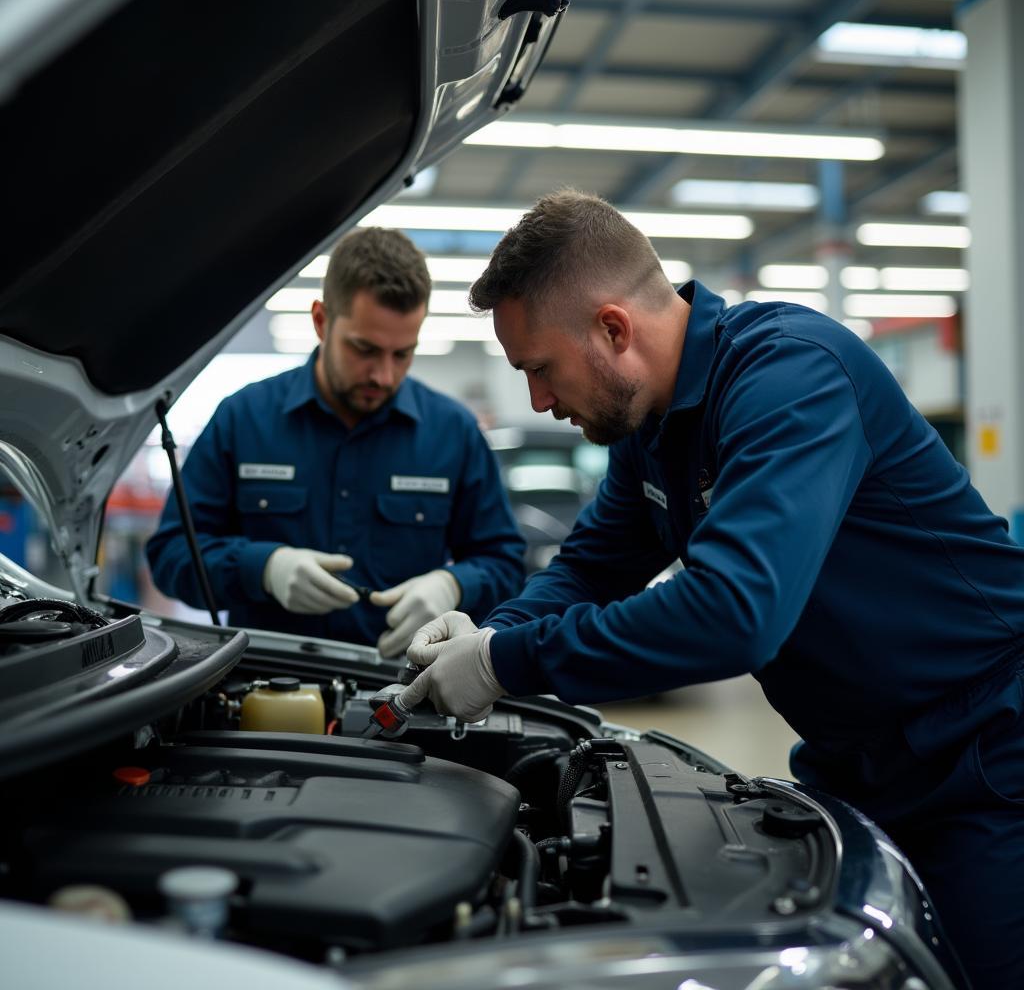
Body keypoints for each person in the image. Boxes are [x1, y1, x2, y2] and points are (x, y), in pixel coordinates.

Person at [400, 190, 1024, 990]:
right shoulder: (652, 429)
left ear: (614, 329)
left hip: (985, 756)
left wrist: (504, 664)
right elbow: (589, 567)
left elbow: (737, 614)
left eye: (541, 370)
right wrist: (480, 633)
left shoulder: (791, 376)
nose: (540, 402)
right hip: (857, 764)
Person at [146, 227, 525, 657]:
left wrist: (452, 586)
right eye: (364, 349)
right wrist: (263, 568)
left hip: (400, 687)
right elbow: (171, 556)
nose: (383, 375)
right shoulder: (243, 419)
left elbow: (505, 564)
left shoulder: (452, 432)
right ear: (321, 322)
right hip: (264, 688)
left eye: (402, 353)